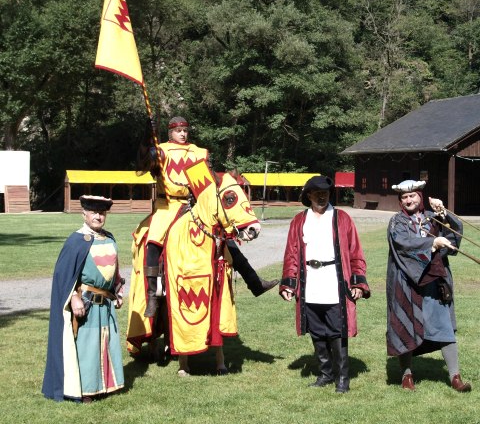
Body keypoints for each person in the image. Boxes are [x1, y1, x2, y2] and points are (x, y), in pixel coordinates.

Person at [126, 116, 278, 356]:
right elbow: (143, 163)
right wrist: (147, 136)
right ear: (170, 133)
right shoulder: (161, 151)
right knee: (153, 242)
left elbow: (206, 183)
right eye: (178, 131)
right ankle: (152, 295)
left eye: (186, 130)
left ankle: (254, 282)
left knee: (226, 242)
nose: (183, 135)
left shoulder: (198, 153)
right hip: (167, 207)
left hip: (193, 206)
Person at [279, 175, 370, 393]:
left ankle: (342, 379)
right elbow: (291, 254)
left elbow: (355, 253)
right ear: (308, 195)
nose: (322, 197)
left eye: (326, 193)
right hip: (310, 281)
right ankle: (326, 374)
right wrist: (289, 285)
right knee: (317, 331)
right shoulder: (299, 221)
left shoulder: (342, 218)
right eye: (317, 193)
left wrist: (357, 283)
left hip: (334, 281)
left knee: (337, 330)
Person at [386, 179, 471, 392]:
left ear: (420, 197)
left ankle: (455, 377)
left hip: (434, 282)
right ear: (400, 201)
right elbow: (403, 243)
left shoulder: (431, 218)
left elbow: (454, 234)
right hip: (407, 282)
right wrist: (432, 243)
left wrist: (444, 214)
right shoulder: (397, 222)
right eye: (404, 197)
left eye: (412, 196)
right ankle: (407, 376)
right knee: (406, 325)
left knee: (443, 326)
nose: (408, 200)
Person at [42, 195, 125, 403]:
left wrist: (117, 290)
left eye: (102, 213)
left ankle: (105, 385)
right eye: (94, 212)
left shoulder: (109, 238)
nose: (98, 216)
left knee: (106, 343)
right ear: (84, 214)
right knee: (87, 348)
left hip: (105, 305)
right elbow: (65, 277)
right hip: (86, 304)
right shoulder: (76, 241)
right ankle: (86, 390)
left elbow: (114, 270)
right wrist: (73, 298)